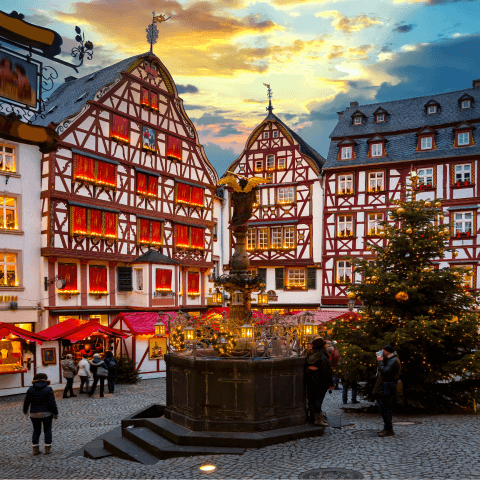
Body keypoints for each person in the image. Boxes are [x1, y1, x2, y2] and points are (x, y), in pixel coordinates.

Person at [23, 373, 58, 455]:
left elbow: (26, 401)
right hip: (46, 413)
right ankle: (47, 449)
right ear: (45, 380)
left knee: (36, 430)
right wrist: (55, 413)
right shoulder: (48, 389)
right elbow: (52, 403)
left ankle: (35, 449)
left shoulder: (30, 389)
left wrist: (25, 410)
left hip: (34, 413)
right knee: (47, 430)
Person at [373, 345, 401, 437]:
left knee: (385, 408)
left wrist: (380, 361)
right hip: (385, 387)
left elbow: (385, 371)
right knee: (384, 408)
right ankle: (387, 428)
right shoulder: (390, 359)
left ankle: (389, 429)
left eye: (383, 351)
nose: (382, 353)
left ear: (388, 352)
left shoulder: (393, 360)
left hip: (387, 387)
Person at [305, 338, 335, 427]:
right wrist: (331, 384)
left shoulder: (311, 356)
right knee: (318, 401)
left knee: (312, 400)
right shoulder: (323, 357)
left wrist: (308, 368)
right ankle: (318, 420)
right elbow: (327, 373)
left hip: (311, 382)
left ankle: (315, 418)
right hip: (321, 383)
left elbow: (306, 367)